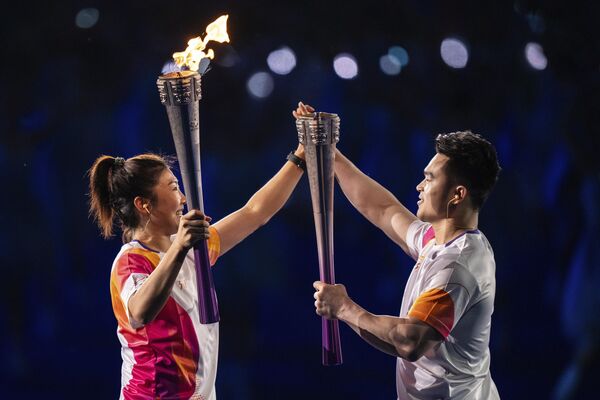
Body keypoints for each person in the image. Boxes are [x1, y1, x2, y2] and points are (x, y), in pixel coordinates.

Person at [297, 103, 501, 399]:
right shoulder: (438, 240)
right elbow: (382, 209)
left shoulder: (456, 266)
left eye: (430, 178)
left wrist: (344, 308)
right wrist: (326, 149)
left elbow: (410, 341)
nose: (419, 186)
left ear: (458, 195)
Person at [88, 134, 307, 399]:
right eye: (172, 187)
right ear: (143, 204)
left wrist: (300, 157)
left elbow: (255, 213)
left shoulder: (194, 248)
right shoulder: (131, 260)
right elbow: (139, 312)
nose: (182, 198)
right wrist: (180, 246)